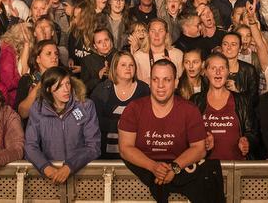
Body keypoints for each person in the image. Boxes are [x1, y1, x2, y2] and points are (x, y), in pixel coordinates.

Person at [118, 59, 225, 203]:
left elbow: (199, 149)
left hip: (181, 171)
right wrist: (153, 167)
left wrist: (175, 167)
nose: (160, 85)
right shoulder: (134, 109)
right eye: (156, 79)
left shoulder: (190, 110)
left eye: (167, 80)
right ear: (150, 81)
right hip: (140, 180)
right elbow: (125, 148)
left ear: (175, 82)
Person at [24, 66, 101, 184]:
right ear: (49, 89)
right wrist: (46, 168)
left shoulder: (85, 106)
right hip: (50, 178)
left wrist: (69, 167)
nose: (66, 89)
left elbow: (93, 146)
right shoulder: (37, 109)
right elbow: (30, 146)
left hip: (82, 176)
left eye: (68, 84)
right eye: (60, 86)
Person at [189, 52, 259, 160]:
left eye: (222, 68)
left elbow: (253, 133)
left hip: (237, 169)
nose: (218, 72)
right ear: (205, 72)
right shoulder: (195, 101)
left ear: (228, 72)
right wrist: (204, 141)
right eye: (213, 68)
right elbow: (187, 136)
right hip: (205, 169)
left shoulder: (242, 100)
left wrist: (247, 141)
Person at [90, 51, 150, 158]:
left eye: (131, 65)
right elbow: (94, 121)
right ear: (115, 68)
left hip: (137, 153)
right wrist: (120, 124)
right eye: (123, 65)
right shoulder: (102, 90)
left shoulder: (144, 90)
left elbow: (149, 120)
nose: (128, 68)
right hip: (106, 153)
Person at [16, 39, 61, 119]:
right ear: (38, 59)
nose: (54, 57)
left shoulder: (63, 79)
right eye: (48, 54)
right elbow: (22, 113)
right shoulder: (27, 80)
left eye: (56, 54)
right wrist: (42, 82)